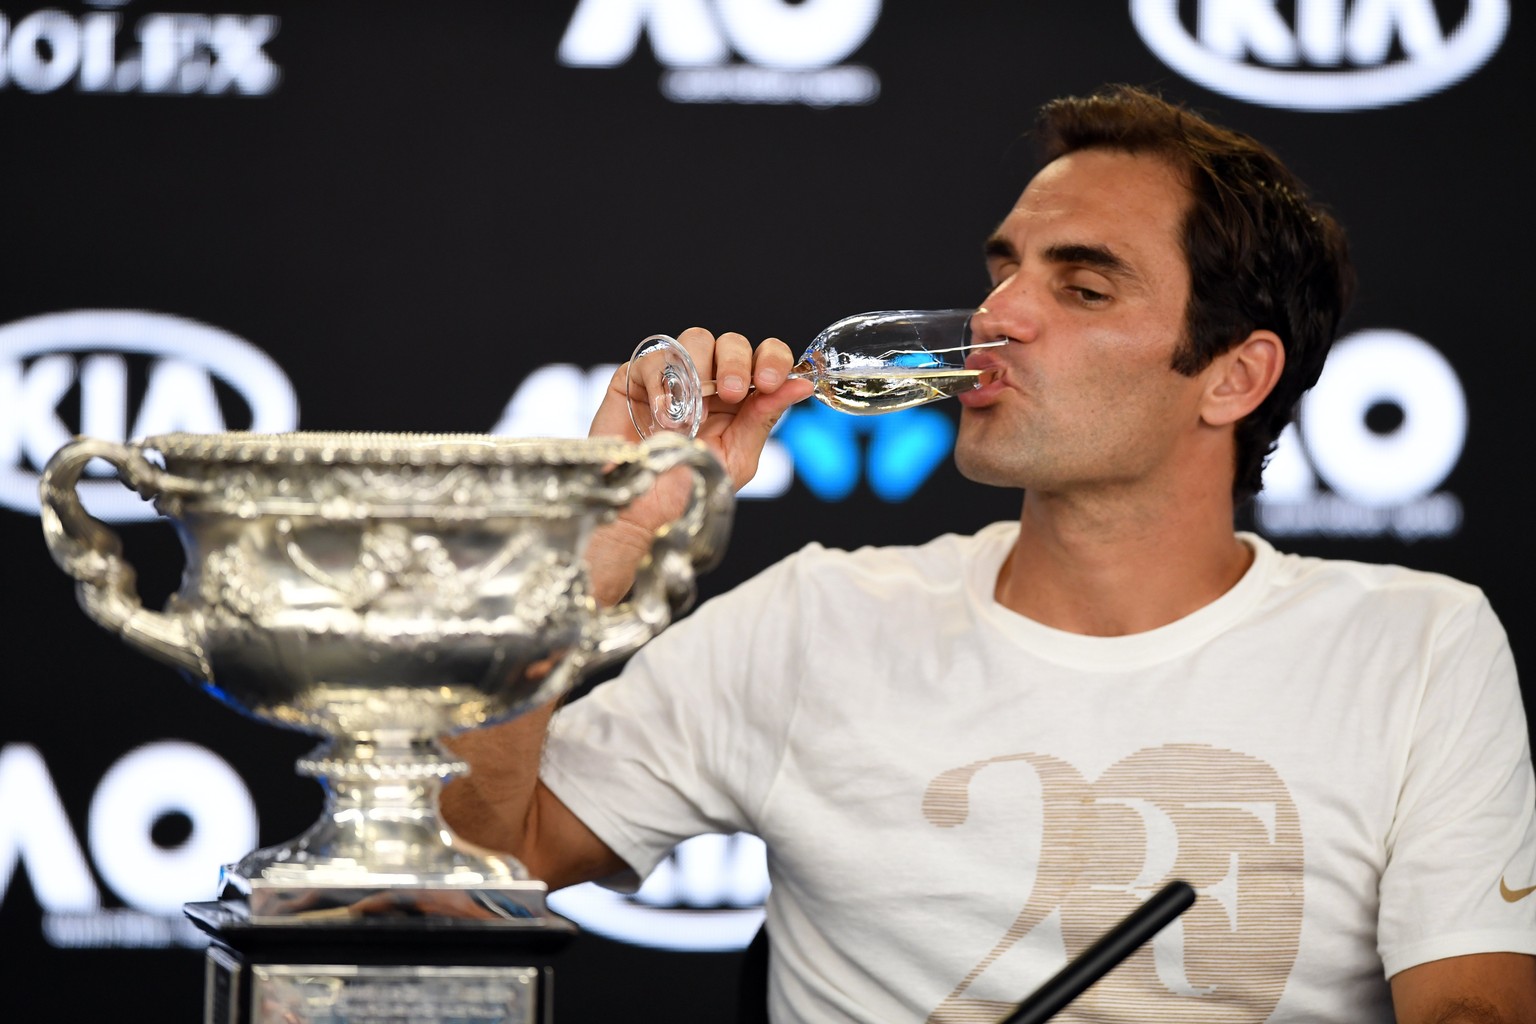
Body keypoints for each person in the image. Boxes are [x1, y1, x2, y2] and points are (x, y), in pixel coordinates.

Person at [443, 85, 1536, 1022]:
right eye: (1004, 267)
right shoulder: (815, 621)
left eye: (1084, 284)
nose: (998, 312)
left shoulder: (1417, 645)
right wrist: (573, 555)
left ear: (1234, 377)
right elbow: (462, 877)